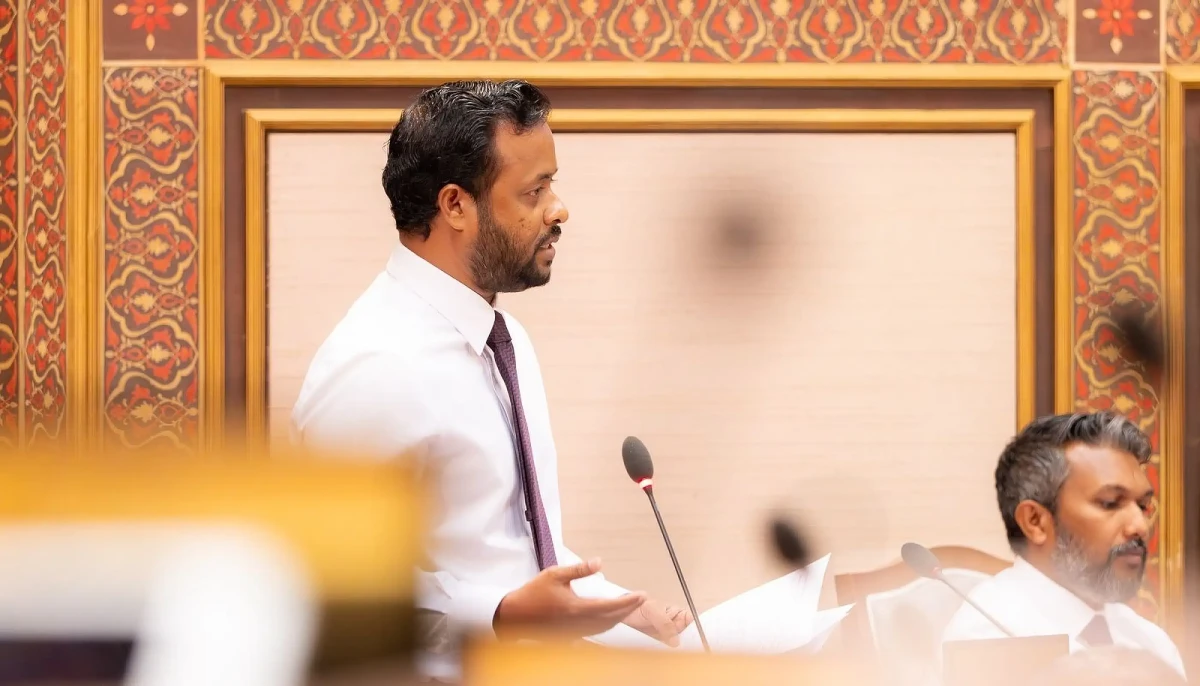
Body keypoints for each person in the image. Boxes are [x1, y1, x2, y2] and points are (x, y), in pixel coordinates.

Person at [290, 79, 692, 680]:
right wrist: (503, 616)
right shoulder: (375, 367)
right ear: (456, 205)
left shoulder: (503, 339)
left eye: (552, 184)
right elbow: (340, 592)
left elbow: (501, 546)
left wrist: (615, 605)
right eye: (534, 191)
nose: (558, 209)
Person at [941, 412, 1184, 676]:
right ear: (1035, 522)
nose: (1141, 526)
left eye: (1143, 506)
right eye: (1110, 503)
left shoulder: (1149, 641)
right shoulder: (987, 638)